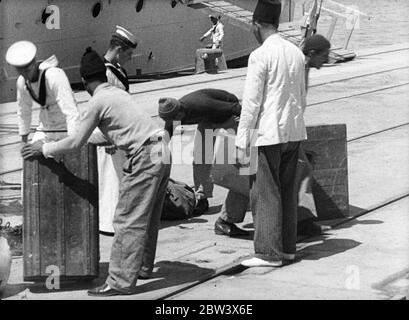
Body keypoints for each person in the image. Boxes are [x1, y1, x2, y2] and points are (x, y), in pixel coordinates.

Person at [22, 48, 171, 296]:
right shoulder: (117, 94)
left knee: (127, 218)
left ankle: (119, 281)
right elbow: (110, 133)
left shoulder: (96, 102)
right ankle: (142, 266)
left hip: (145, 154)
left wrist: (44, 149)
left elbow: (74, 143)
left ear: (83, 81)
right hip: (162, 147)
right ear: (103, 74)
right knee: (149, 215)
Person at [236, 0, 307, 267]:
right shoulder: (296, 53)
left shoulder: (260, 55)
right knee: (288, 192)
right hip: (294, 132)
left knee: (264, 192)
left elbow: (251, 103)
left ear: (256, 24)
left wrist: (242, 142)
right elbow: (302, 97)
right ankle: (288, 249)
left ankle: (268, 253)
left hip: (267, 134)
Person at [158, 89, 250, 237]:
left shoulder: (201, 104)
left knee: (242, 159)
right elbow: (167, 135)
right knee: (200, 157)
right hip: (207, 120)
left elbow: (237, 109)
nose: (176, 121)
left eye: (177, 118)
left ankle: (247, 193)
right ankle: (202, 196)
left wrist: (245, 130)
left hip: (229, 114)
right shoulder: (173, 116)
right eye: (171, 120)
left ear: (181, 110)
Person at [97, 26, 138, 235]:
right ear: (119, 49)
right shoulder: (104, 72)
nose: (130, 58)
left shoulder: (117, 70)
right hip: (110, 133)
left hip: (121, 130)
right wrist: (110, 137)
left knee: (119, 176)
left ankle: (115, 219)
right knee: (110, 177)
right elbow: (103, 108)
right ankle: (108, 222)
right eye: (128, 53)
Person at [5, 41, 79, 147]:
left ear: (34, 62)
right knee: (29, 154)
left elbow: (71, 112)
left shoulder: (54, 76)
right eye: (20, 70)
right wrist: (24, 141)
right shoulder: (22, 82)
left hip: (66, 128)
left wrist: (72, 143)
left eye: (27, 69)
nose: (24, 73)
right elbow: (23, 111)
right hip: (46, 129)